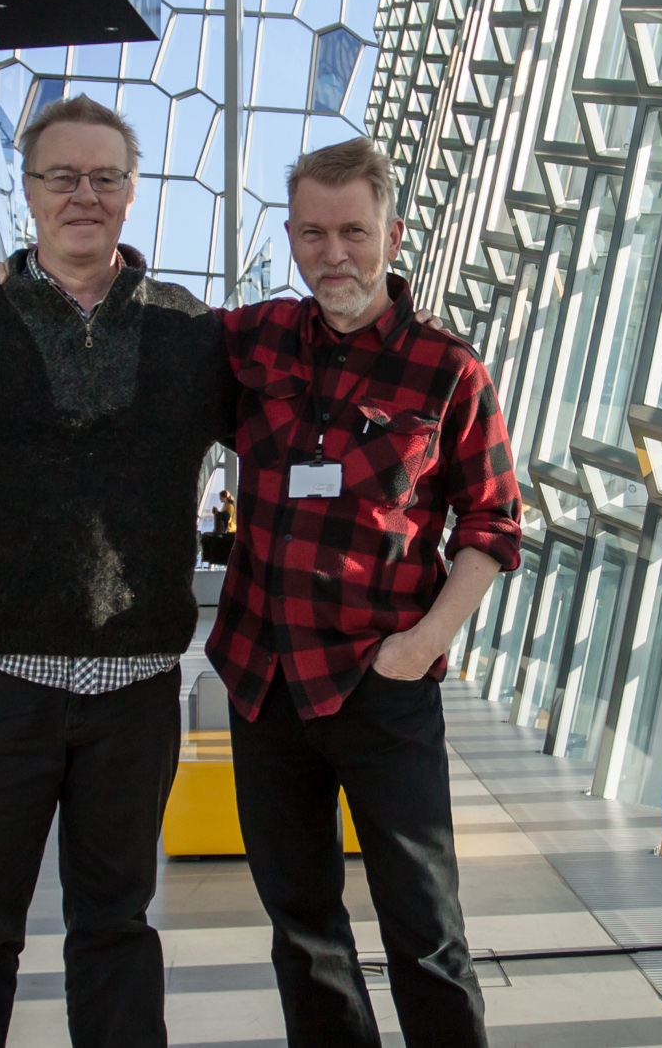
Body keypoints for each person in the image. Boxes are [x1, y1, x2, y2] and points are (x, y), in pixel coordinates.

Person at [0, 94, 235, 1048]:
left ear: (132, 190)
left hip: (133, 691)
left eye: (105, 176)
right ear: (27, 191)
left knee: (117, 926)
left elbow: (294, 401)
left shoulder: (193, 334)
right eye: (62, 176)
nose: (84, 194)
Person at [210, 138, 523, 1048]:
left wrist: (421, 647)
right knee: (303, 930)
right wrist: (24, 277)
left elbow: (494, 523)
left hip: (381, 684)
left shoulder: (448, 369)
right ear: (290, 236)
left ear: (393, 232)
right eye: (313, 233)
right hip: (264, 683)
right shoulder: (254, 340)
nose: (333, 253)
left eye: (353, 231)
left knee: (425, 929)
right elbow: (141, 322)